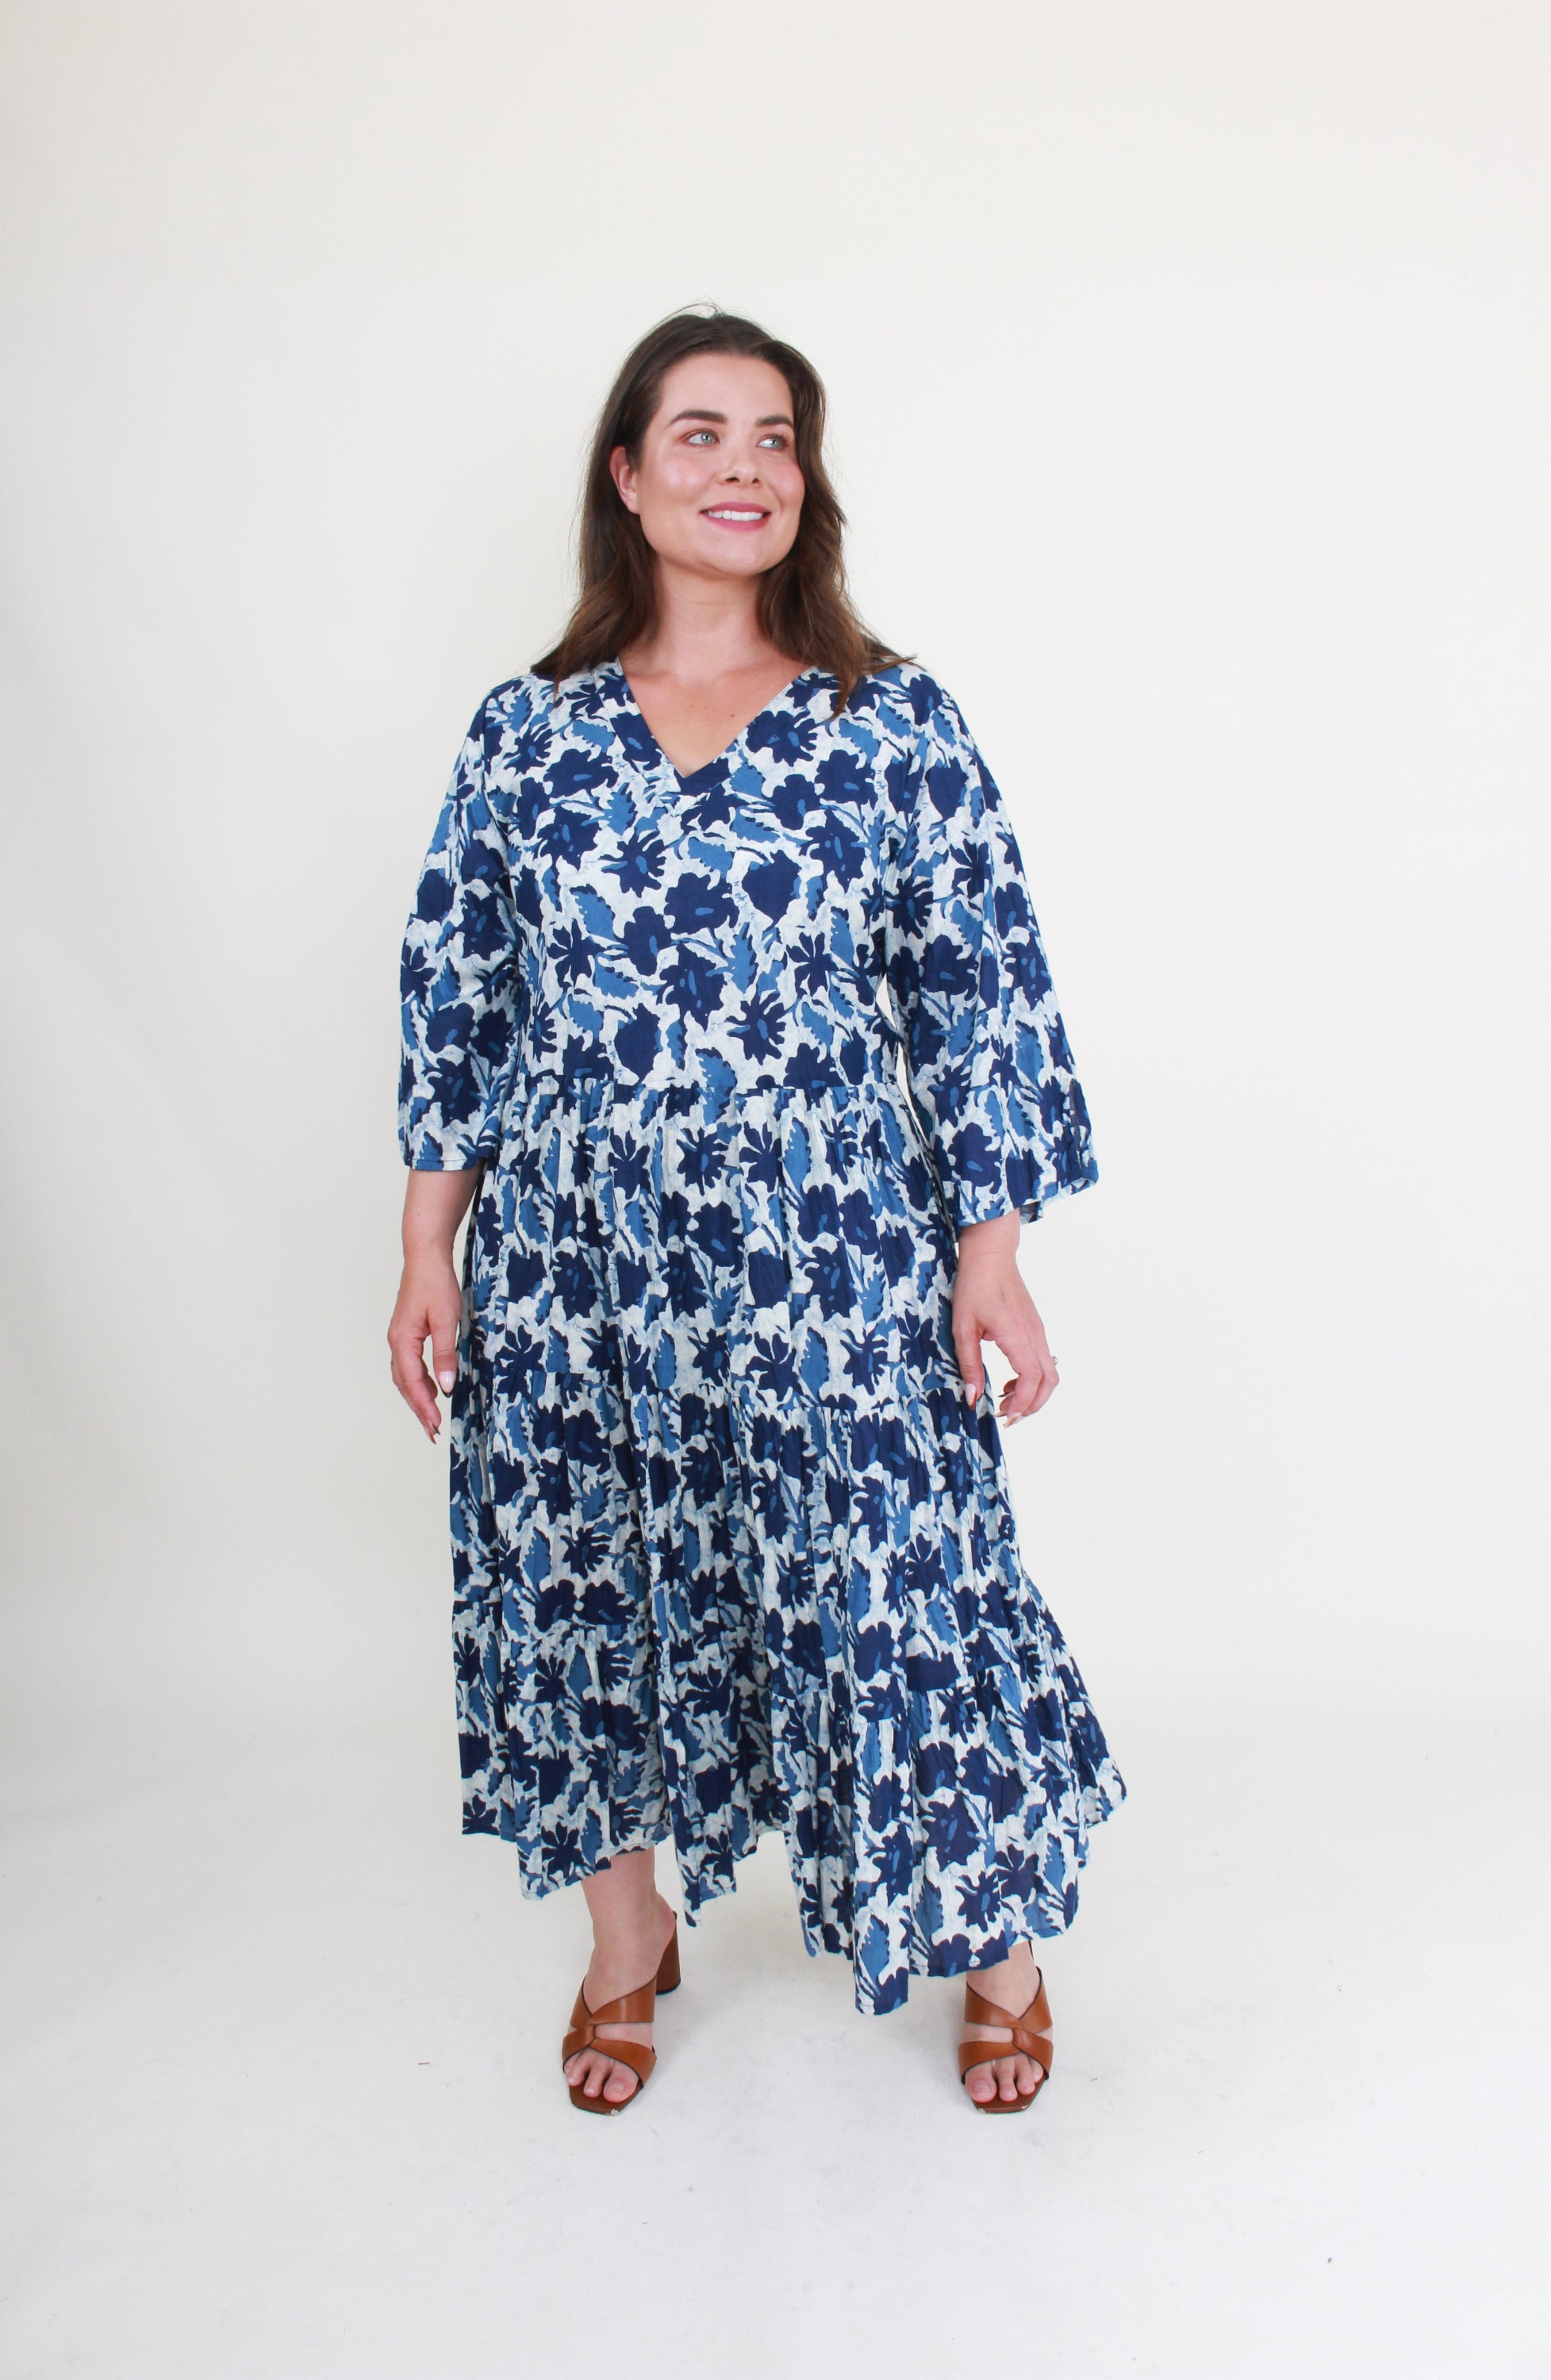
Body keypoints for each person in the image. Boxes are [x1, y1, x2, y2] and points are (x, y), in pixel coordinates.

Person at [388, 305, 1126, 2117]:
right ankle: (625, 1940)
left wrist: (991, 1263)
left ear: (807, 487)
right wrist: (426, 1244)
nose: (745, 469)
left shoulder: (891, 726)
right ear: (629, 482)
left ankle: (996, 1949)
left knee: (903, 1591)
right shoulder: (526, 736)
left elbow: (981, 993)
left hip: (834, 1255)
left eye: (777, 439)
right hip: (579, 1265)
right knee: (587, 1588)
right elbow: (460, 996)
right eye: (701, 435)